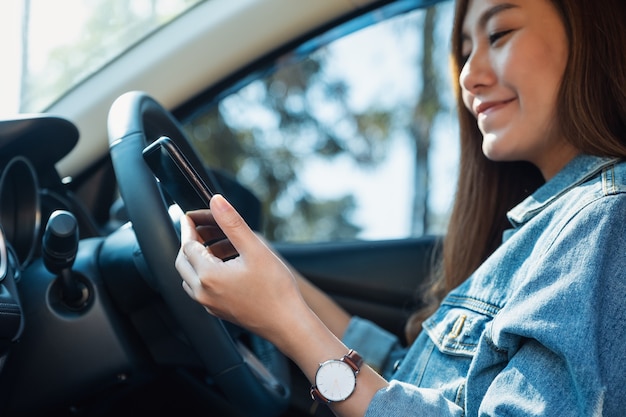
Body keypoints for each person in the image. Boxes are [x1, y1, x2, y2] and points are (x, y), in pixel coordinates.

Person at [175, 0, 626, 415]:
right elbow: (407, 376)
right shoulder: (549, 226)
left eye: (500, 34)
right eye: (465, 50)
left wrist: (285, 322)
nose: (468, 74)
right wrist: (272, 277)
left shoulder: (605, 218)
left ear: (591, 38)